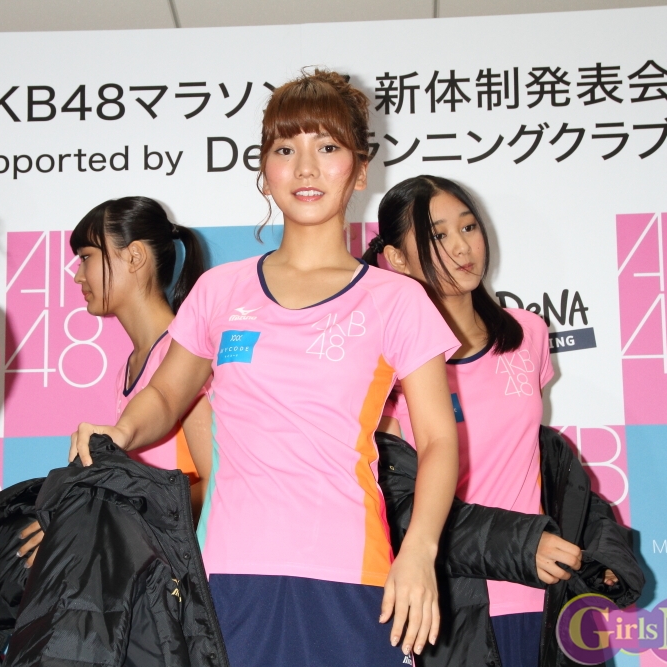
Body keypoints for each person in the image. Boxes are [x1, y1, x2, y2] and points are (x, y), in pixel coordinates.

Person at [68, 70, 461, 666]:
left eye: (326, 147)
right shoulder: (220, 291)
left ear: (360, 170)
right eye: (285, 149)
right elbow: (168, 395)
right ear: (264, 169)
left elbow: (437, 440)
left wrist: (421, 552)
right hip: (232, 577)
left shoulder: (395, 299)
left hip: (351, 574)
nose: (305, 168)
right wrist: (120, 432)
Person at [365, 175, 616, 667]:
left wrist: (602, 552)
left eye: (469, 227)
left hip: (548, 598)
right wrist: (521, 546)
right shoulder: (385, 365)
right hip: (453, 607)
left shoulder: (528, 334)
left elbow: (537, 464)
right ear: (397, 258)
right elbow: (397, 505)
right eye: (437, 235)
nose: (462, 247)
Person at [16, 197, 212, 565]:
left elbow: (215, 483)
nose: (77, 275)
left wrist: (98, 522)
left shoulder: (186, 356)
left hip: (192, 577)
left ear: (135, 256)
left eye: (86, 257)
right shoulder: (128, 369)